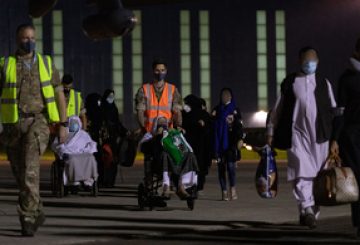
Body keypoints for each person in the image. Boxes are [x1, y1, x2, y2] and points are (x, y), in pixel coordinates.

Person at [0, 23, 67, 236]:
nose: (29, 41)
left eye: (32, 37)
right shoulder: (5, 64)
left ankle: (27, 217)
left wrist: (63, 124)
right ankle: (37, 209)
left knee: (30, 168)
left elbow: (59, 94)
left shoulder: (46, 63)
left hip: (38, 122)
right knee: (20, 175)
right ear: (17, 39)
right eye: (24, 38)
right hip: (13, 126)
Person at [267, 46, 337, 229]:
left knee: (317, 177)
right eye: (306, 61)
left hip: (320, 138)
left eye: (313, 61)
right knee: (300, 173)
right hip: (297, 136)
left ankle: (309, 212)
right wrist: (270, 132)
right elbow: (277, 109)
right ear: (299, 61)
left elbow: (334, 110)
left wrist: (336, 138)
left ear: (318, 62)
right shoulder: (290, 82)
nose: (310, 65)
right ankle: (307, 209)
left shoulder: (324, 83)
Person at [135, 58, 183, 197]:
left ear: (166, 71)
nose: (159, 73)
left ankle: (175, 183)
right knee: (150, 158)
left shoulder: (173, 90)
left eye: (162, 70)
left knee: (175, 154)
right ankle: (151, 184)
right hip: (151, 132)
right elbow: (139, 110)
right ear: (153, 71)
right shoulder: (144, 89)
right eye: (157, 70)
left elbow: (177, 111)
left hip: (168, 132)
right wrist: (144, 128)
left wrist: (178, 125)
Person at [332, 38, 360, 238]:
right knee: (358, 181)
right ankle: (359, 223)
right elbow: (340, 113)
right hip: (352, 137)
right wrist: (335, 139)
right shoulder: (347, 78)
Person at [212, 88, 244, 201]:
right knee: (221, 169)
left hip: (230, 143)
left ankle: (233, 188)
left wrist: (240, 138)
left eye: (227, 95)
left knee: (230, 167)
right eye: (223, 95)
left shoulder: (235, 110)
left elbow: (239, 126)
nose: (225, 97)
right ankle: (224, 191)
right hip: (219, 144)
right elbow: (212, 126)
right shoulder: (216, 110)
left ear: (231, 96)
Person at [182, 95, 212, 194]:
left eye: (187, 104)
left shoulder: (201, 115)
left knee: (198, 166)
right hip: (194, 145)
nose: (185, 106)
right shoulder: (186, 114)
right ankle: (194, 186)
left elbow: (208, 129)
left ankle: (195, 186)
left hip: (199, 145)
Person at [100, 89, 129, 187]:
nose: (111, 98)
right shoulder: (102, 108)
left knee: (113, 161)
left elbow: (117, 123)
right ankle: (102, 180)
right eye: (109, 96)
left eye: (113, 96)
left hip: (113, 139)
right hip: (103, 138)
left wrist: (125, 131)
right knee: (104, 160)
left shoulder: (114, 108)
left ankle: (110, 182)